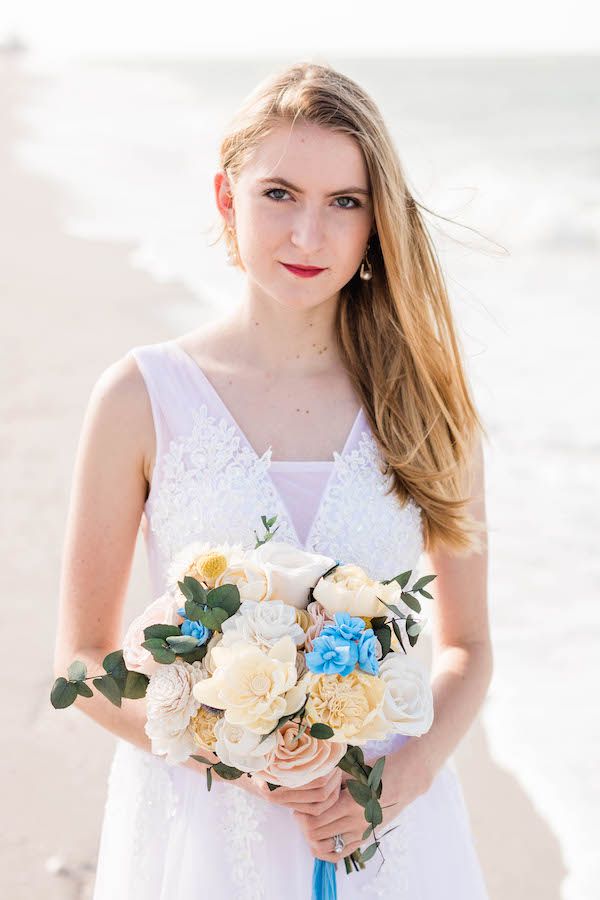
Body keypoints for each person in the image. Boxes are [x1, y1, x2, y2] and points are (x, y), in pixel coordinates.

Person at [53, 60, 493, 899]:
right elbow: (80, 663)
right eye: (279, 194)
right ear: (227, 199)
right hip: (202, 833)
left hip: (386, 836)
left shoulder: (426, 405)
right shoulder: (141, 397)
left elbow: (468, 649)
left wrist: (388, 790)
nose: (308, 236)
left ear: (375, 225)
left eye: (344, 203)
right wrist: (234, 753)